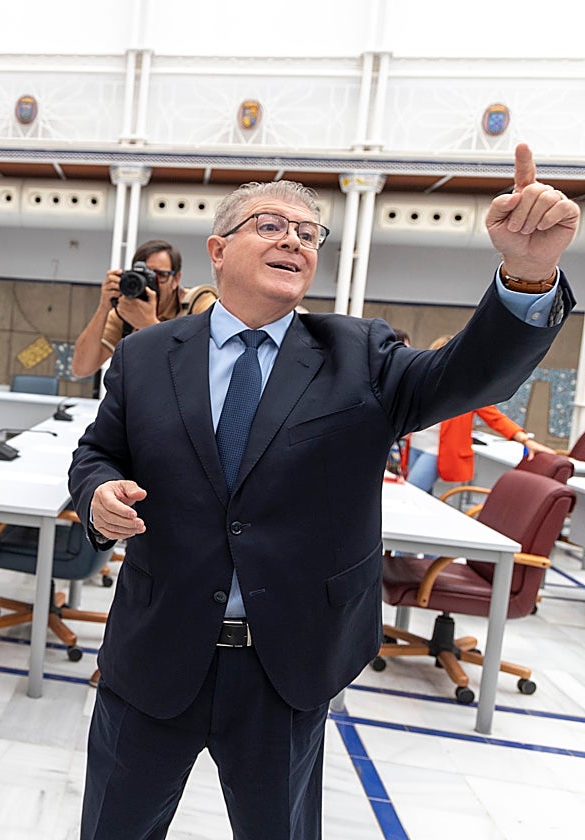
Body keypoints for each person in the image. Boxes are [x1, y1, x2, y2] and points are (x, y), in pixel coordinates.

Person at [68, 143, 576, 840]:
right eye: (271, 225)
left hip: (284, 667)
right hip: (154, 652)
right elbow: (98, 451)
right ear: (219, 248)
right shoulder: (148, 354)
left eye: (309, 233)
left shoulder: (359, 355)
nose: (295, 240)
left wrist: (527, 275)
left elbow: (468, 377)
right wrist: (98, 495)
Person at [406, 335, 554, 492]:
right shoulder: (425, 384)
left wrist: (525, 439)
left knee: (410, 492)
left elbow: (495, 418)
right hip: (416, 444)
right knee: (422, 494)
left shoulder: (468, 391)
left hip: (436, 451)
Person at [71, 240, 213, 378]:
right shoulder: (125, 314)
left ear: (176, 279)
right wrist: (103, 308)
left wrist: (149, 325)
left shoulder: (198, 302)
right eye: (144, 276)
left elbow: (211, 363)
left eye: (160, 275)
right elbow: (81, 368)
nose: (151, 283)